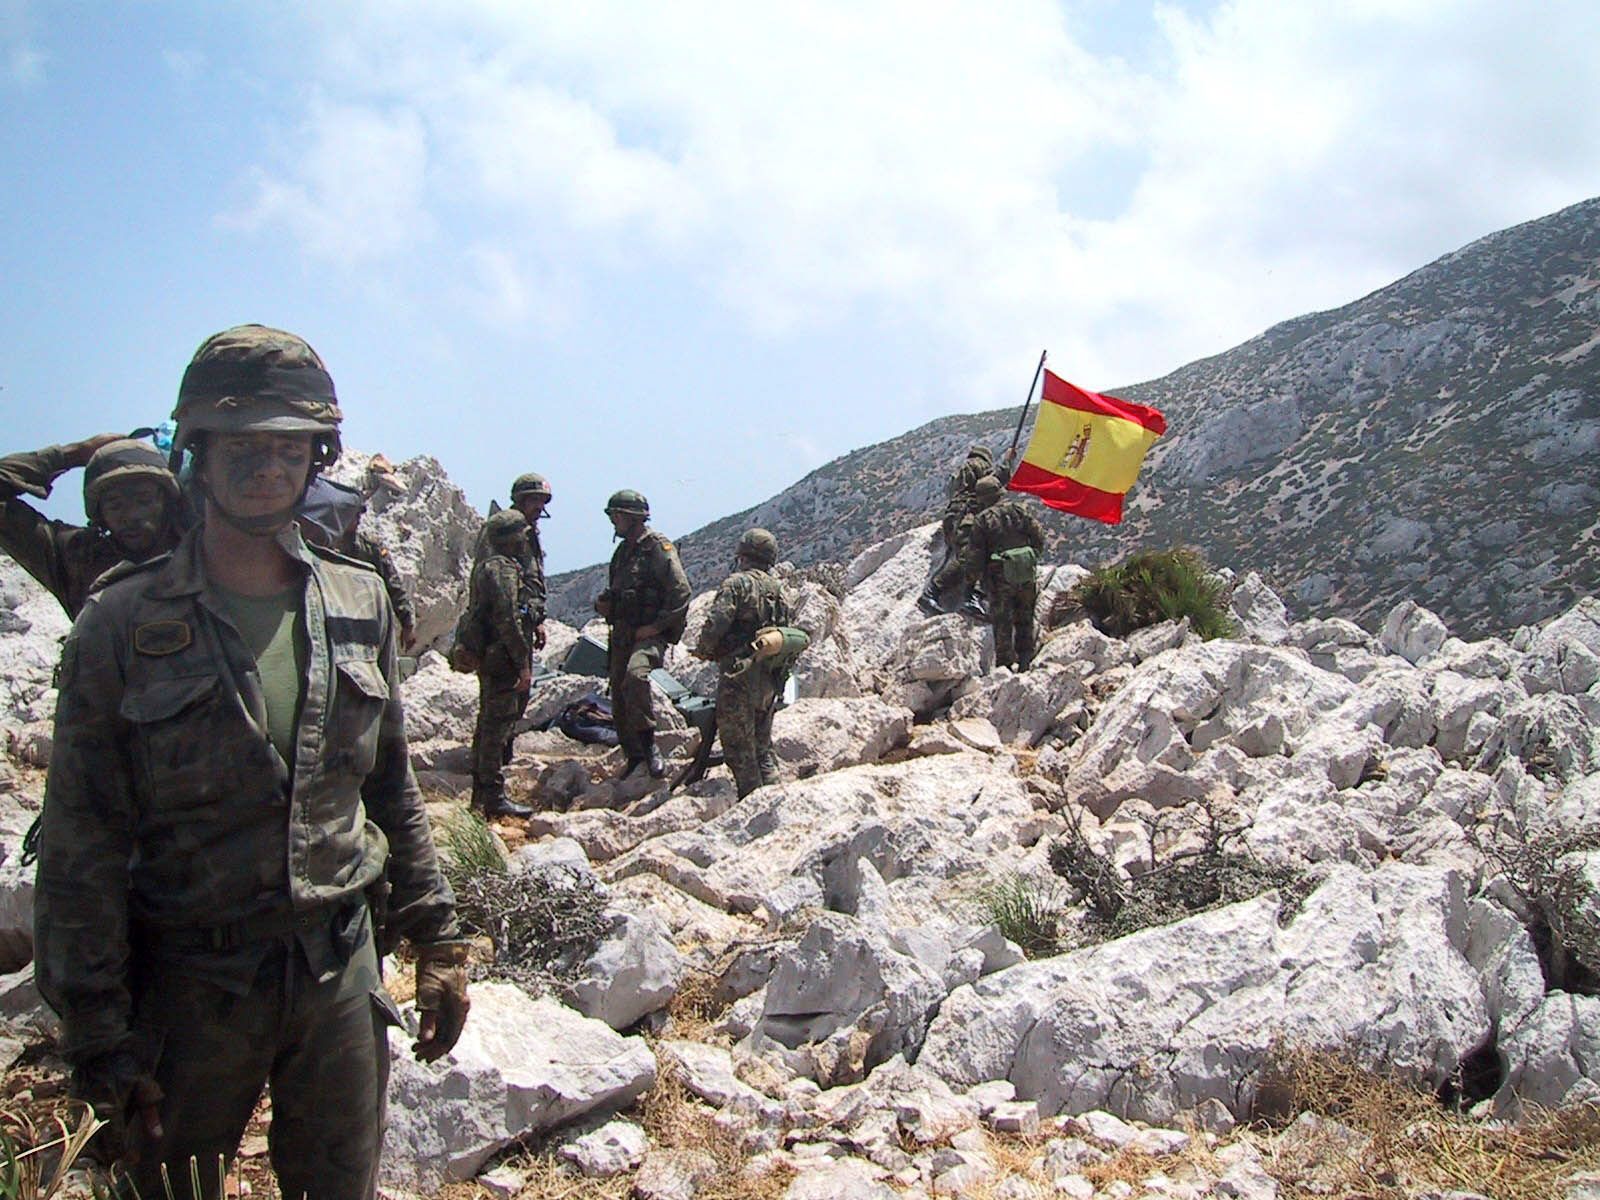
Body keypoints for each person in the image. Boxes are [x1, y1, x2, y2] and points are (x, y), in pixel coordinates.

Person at [33, 324, 468, 1200]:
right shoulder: (118, 625)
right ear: (197, 452)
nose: (267, 466)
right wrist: (98, 1035)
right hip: (188, 991)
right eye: (241, 445)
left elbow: (389, 785)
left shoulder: (359, 599)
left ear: (319, 456)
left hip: (338, 972)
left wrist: (438, 936)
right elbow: (81, 843)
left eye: (289, 446)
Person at [0, 434, 183, 618]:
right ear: (100, 513)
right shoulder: (77, 558)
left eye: (144, 500)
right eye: (115, 505)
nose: (131, 516)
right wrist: (72, 455)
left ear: (167, 501)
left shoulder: (200, 546)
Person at [691, 528, 796, 798]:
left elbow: (717, 623)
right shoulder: (778, 591)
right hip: (769, 678)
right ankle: (775, 796)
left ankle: (752, 801)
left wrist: (703, 650)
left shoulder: (736, 584)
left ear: (743, 555)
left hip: (739, 677)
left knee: (739, 748)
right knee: (762, 745)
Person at [594, 489, 690, 779]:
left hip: (648, 634)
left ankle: (650, 748)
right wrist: (605, 605)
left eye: (618, 516)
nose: (614, 521)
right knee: (620, 696)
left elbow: (681, 592)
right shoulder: (623, 553)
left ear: (633, 518)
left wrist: (656, 628)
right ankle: (634, 757)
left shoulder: (658, 548)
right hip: (623, 633)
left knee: (636, 676)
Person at [463, 509, 537, 819]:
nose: (526, 538)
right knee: (496, 728)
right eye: (521, 534)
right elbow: (508, 619)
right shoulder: (503, 569)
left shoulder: (485, 567)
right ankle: (492, 796)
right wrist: (522, 663)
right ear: (511, 538)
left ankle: (481, 794)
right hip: (502, 659)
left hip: (491, 657)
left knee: (487, 724)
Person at [296, 476, 418, 650]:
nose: (359, 517)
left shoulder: (370, 549)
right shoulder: (317, 541)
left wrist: (407, 624)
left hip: (357, 625)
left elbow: (394, 586)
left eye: (361, 512)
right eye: (355, 512)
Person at [960, 475, 1047, 670]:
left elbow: (975, 556)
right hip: (1025, 573)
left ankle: (1005, 667)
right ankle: (1026, 660)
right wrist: (1028, 558)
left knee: (1003, 623)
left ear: (982, 498)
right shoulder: (1019, 510)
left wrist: (969, 583)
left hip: (999, 578)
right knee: (1026, 617)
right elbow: (1039, 537)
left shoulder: (983, 520)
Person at [919, 443, 1012, 615]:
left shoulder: (963, 472)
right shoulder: (977, 464)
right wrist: (1006, 463)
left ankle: (971, 596)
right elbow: (989, 484)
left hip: (956, 517)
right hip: (965, 518)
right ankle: (933, 592)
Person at [508, 472, 552, 653]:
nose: (540, 507)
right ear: (521, 500)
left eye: (543, 501)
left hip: (523, 620)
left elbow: (533, 580)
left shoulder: (529, 532)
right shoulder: (505, 533)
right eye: (535, 500)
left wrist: (537, 621)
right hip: (507, 622)